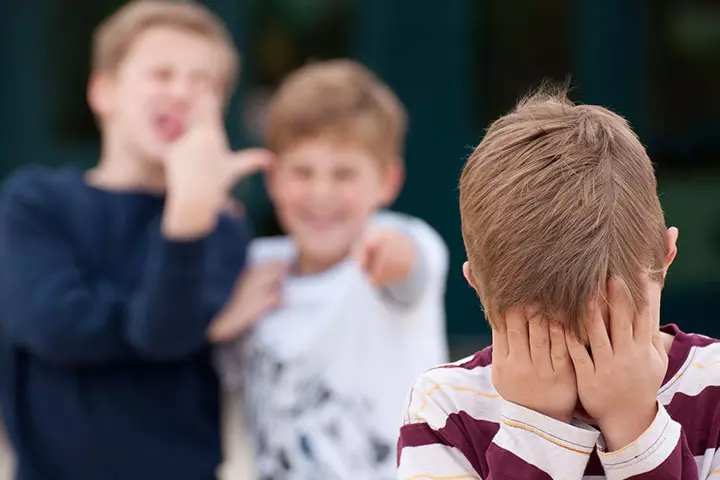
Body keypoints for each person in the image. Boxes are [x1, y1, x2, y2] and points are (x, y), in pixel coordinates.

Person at [0, 2, 270, 479]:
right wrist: (205, 326)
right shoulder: (35, 201)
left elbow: (163, 335)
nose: (182, 92)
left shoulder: (221, 226)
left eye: (203, 82)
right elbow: (56, 326)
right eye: (162, 74)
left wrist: (190, 210)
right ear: (104, 92)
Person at [396, 86, 720, 479]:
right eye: (550, 333)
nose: (591, 365)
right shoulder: (446, 410)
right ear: (479, 287)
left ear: (666, 258)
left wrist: (635, 424)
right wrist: (538, 427)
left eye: (611, 326)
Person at [212, 59, 449, 480]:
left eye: (344, 174)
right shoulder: (254, 268)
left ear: (387, 181)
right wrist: (222, 320)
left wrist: (393, 254)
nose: (321, 194)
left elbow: (411, 266)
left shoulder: (394, 239)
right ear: (273, 179)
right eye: (302, 172)